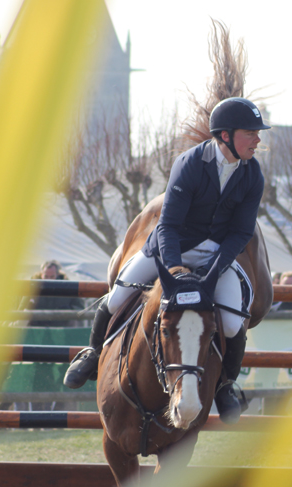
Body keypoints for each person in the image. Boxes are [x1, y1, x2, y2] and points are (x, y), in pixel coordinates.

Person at [64, 97, 271, 424]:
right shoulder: (190, 163)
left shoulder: (252, 173)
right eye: (251, 132)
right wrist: (174, 271)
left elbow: (241, 231)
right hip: (170, 247)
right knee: (118, 296)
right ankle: (91, 353)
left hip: (216, 256)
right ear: (226, 136)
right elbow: (170, 225)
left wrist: (216, 270)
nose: (258, 139)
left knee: (232, 323)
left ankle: (225, 386)